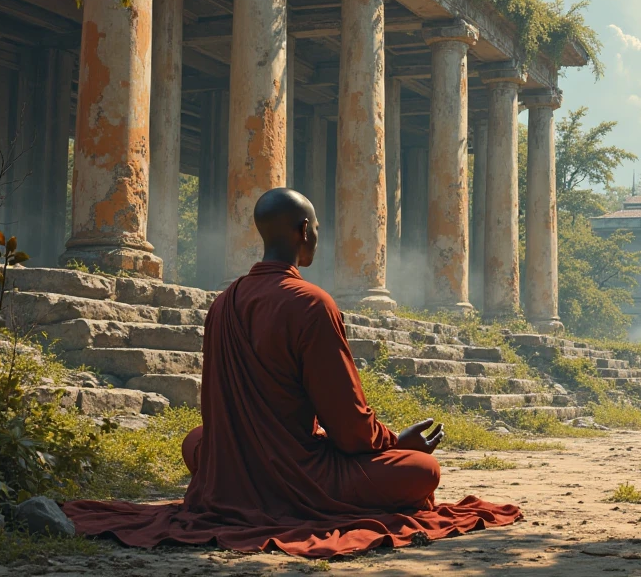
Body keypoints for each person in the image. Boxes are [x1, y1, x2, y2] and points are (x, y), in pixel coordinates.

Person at [64, 188, 521, 557]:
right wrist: (394, 442)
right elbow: (349, 430)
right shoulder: (310, 303)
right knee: (422, 470)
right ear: (304, 231)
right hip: (299, 473)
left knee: (199, 442)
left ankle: (249, 483)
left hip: (233, 477)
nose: (318, 236)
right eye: (317, 228)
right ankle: (301, 491)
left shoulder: (224, 302)